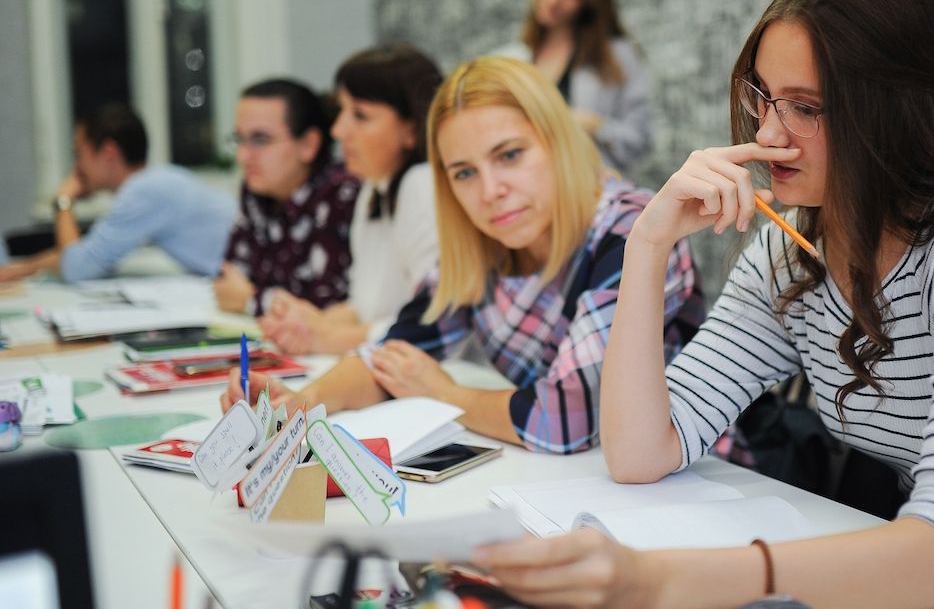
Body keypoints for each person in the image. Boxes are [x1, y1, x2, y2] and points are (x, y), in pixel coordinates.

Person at [472, 0, 934, 609]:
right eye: (764, 97)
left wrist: (669, 578)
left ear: (894, 112)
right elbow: (640, 451)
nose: (772, 134)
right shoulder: (793, 250)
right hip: (929, 562)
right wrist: (648, 243)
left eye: (806, 107)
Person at [222, 56, 705, 454]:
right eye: (464, 173)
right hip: (566, 485)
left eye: (510, 155)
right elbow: (397, 354)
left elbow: (564, 418)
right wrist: (304, 402)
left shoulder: (634, 231)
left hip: (698, 482)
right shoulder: (482, 243)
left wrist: (444, 393)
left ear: (558, 143)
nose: (491, 191)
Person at [259, 45, 444, 353]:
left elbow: (432, 324)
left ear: (412, 129)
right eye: (341, 110)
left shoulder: (423, 185)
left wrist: (324, 337)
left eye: (360, 115)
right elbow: (366, 308)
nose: (339, 129)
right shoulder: (373, 189)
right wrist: (307, 320)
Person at [0, 103, 235, 283]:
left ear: (109, 153)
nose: (76, 169)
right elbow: (88, 253)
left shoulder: (145, 191)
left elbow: (77, 269)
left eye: (79, 154)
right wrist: (22, 269)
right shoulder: (155, 183)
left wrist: (63, 200)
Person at [495, 0, 651, 175]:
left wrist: (594, 125)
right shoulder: (507, 61)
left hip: (592, 192)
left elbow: (640, 141)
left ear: (590, 1)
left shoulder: (616, 57)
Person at [214, 79, 359, 315]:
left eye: (260, 140)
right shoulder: (256, 193)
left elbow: (329, 307)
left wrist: (254, 300)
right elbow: (229, 283)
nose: (243, 156)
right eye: (239, 139)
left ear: (309, 144)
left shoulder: (342, 195)